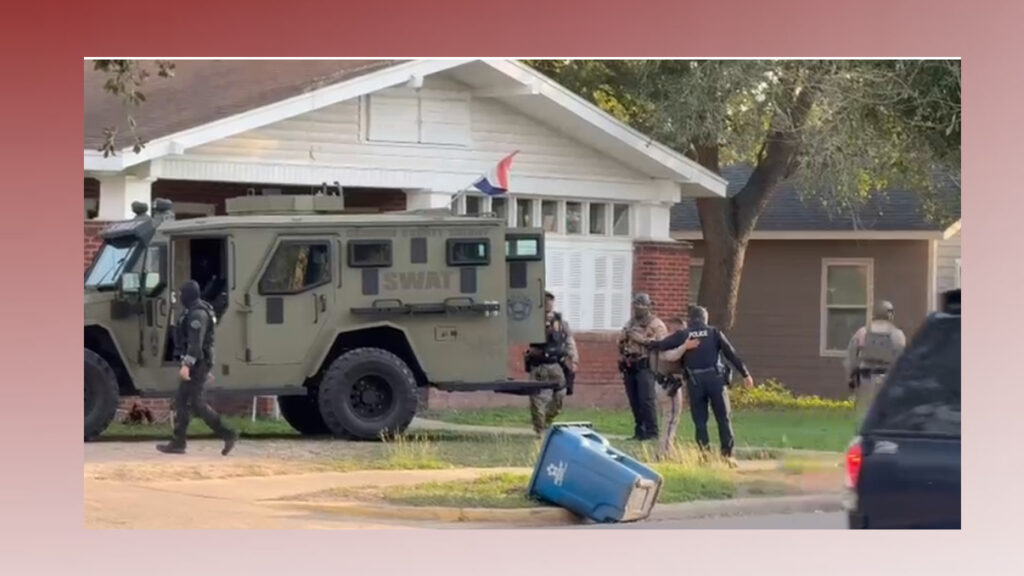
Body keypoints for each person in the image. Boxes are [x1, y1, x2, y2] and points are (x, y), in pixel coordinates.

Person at [646, 305, 753, 465]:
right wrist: (745, 374)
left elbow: (661, 345)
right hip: (716, 380)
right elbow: (731, 353)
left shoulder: (684, 334)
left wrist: (648, 343)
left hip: (695, 382)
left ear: (691, 319)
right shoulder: (714, 333)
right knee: (723, 418)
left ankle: (705, 456)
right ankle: (727, 455)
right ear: (705, 318)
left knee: (700, 421)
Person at [157, 280, 238, 456]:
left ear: (188, 295)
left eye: (181, 295)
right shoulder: (194, 311)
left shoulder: (197, 315)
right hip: (200, 363)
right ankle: (179, 442)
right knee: (183, 401)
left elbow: (195, 344)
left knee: (196, 403)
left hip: (197, 363)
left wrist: (187, 366)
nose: (179, 298)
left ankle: (227, 434)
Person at [524, 291, 579, 436]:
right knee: (537, 399)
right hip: (539, 365)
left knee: (560, 395)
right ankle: (540, 430)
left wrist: (574, 360)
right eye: (546, 301)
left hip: (555, 365)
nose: (548, 304)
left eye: (551, 301)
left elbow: (569, 342)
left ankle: (546, 421)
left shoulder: (560, 323)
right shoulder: (533, 320)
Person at [844, 300, 907, 421]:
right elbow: (902, 359)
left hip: (865, 378)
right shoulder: (897, 335)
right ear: (890, 315)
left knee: (863, 415)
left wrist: (850, 378)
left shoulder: (862, 332)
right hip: (887, 378)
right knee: (885, 415)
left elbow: (852, 356)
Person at [617, 293, 667, 441]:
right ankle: (639, 430)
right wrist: (624, 339)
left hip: (646, 365)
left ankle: (652, 431)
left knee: (646, 399)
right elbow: (620, 341)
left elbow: (661, 344)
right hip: (630, 365)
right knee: (634, 400)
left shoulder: (656, 324)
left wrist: (641, 340)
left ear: (647, 307)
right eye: (635, 306)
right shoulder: (630, 323)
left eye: (640, 306)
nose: (637, 309)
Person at [651, 316, 701, 459]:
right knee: (670, 419)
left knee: (671, 418)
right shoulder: (663, 343)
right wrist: (685, 346)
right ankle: (664, 453)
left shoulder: (665, 342)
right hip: (667, 385)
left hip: (669, 384)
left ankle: (665, 450)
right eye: (681, 331)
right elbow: (670, 357)